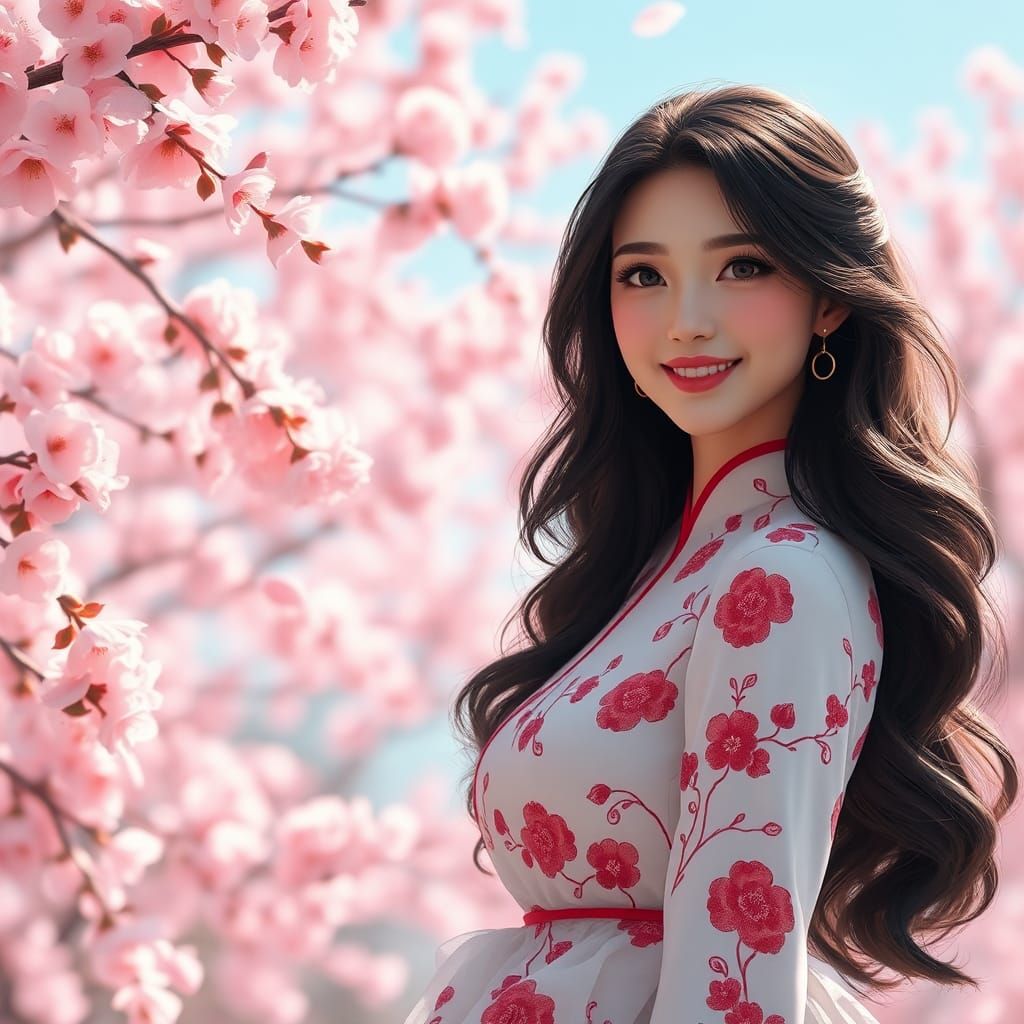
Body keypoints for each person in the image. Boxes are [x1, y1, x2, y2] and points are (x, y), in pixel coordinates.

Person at [403, 83, 1019, 1024]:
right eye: (643, 275)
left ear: (829, 301)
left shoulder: (783, 576)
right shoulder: (653, 573)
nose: (686, 318)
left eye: (742, 267)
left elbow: (736, 974)